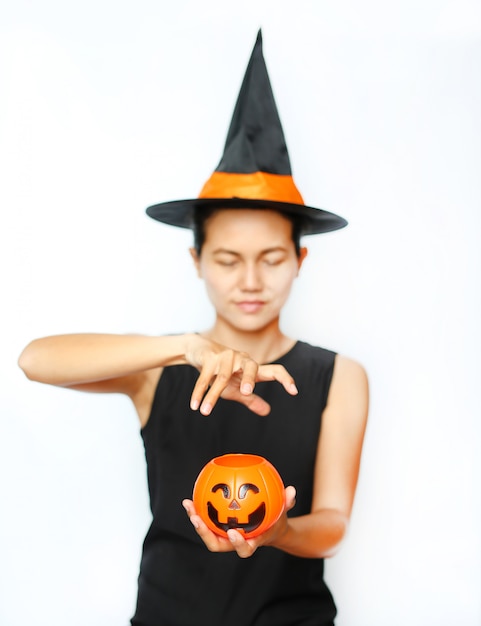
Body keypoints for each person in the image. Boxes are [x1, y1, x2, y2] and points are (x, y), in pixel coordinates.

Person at [18, 31, 368, 626]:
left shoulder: (339, 377)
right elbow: (34, 360)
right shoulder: (160, 371)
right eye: (228, 260)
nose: (250, 281)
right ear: (197, 261)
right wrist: (184, 349)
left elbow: (332, 524)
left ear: (300, 260)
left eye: (273, 259)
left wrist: (280, 530)